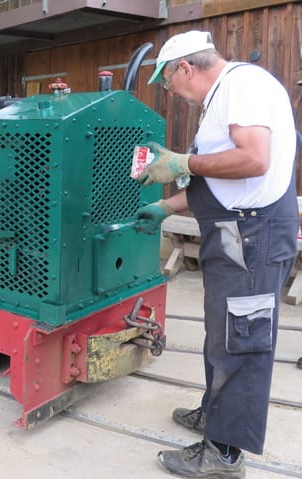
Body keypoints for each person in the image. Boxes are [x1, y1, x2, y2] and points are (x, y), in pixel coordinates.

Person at [135, 30, 299, 479]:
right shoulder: (224, 97)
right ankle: (216, 413)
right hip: (234, 230)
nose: (170, 91)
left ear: (186, 67)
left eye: (168, 81)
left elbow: (253, 160)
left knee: (242, 340)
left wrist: (183, 164)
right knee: (222, 332)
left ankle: (224, 453)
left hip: (252, 233)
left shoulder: (243, 86)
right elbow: (222, 180)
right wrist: (165, 206)